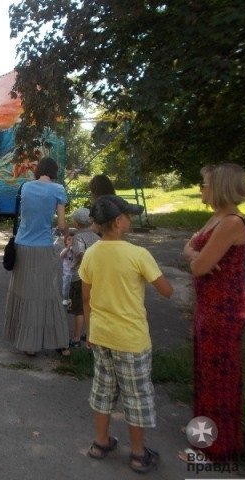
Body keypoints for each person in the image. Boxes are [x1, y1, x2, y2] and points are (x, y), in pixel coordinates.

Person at [79, 194, 173, 474]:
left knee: (103, 390)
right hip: (131, 339)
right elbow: (166, 291)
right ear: (119, 221)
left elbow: (86, 297)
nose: (130, 219)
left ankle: (100, 441)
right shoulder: (138, 254)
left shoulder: (91, 254)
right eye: (128, 216)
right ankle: (138, 453)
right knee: (136, 396)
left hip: (101, 336)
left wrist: (89, 331)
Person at [181, 163, 245, 462]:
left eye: (205, 184)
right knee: (205, 372)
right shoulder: (217, 217)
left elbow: (198, 266)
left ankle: (214, 448)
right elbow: (190, 249)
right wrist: (194, 254)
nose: (202, 189)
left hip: (223, 309)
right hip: (209, 305)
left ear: (220, 187)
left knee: (218, 376)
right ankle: (204, 433)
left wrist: (194, 256)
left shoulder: (231, 222)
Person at [3, 157, 69, 356]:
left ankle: (27, 344)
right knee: (47, 292)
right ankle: (61, 342)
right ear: (54, 171)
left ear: (38, 169)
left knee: (24, 292)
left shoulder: (26, 187)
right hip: (43, 247)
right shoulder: (58, 189)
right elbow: (62, 225)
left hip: (22, 245)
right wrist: (65, 234)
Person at [67, 208, 100, 347]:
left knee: (79, 310)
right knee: (92, 306)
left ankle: (75, 339)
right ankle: (89, 334)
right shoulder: (97, 237)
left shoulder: (78, 238)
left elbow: (80, 253)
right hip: (95, 276)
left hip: (79, 276)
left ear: (76, 223)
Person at [60, 232, 74, 307]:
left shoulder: (76, 249)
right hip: (67, 273)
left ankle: (71, 299)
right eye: (69, 239)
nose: (71, 241)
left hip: (75, 273)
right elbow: (61, 256)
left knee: (73, 287)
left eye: (73, 240)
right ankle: (65, 298)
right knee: (66, 286)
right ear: (65, 241)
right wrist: (68, 248)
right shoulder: (65, 250)